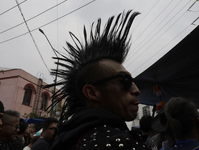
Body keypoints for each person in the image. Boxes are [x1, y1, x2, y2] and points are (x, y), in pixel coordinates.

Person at [46, 10, 148, 150]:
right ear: (92, 93)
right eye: (125, 81)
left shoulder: (66, 139)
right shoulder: (119, 143)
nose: (136, 90)